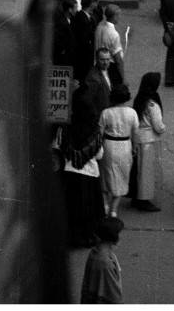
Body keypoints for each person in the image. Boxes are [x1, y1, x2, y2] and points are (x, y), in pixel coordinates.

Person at [62, 87, 106, 248]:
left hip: (71, 173)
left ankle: (72, 238)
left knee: (72, 208)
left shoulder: (66, 129)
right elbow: (100, 154)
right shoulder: (94, 132)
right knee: (89, 209)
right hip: (90, 174)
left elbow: (61, 149)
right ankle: (88, 238)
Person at [99, 85, 139, 218]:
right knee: (122, 176)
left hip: (109, 145)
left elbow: (99, 134)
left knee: (106, 176)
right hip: (124, 145)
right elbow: (135, 133)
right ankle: (114, 210)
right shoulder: (132, 113)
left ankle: (105, 206)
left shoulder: (106, 113)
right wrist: (134, 147)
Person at [131, 72, 164, 212]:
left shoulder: (139, 100)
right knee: (147, 172)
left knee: (138, 170)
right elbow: (158, 126)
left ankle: (136, 196)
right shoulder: (153, 104)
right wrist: (163, 127)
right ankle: (144, 199)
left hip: (138, 138)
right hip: (149, 141)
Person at [80, 215, 124, 304]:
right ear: (113, 236)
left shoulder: (95, 252)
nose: (122, 236)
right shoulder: (105, 262)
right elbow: (113, 295)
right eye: (119, 233)